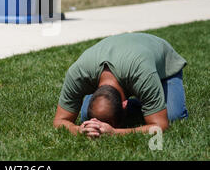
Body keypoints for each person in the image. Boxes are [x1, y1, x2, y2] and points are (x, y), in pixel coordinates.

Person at [53, 33, 188, 137]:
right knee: (85, 116)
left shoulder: (142, 74)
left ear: (125, 105)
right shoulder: (78, 74)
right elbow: (59, 121)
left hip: (162, 64)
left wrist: (115, 132)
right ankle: (150, 106)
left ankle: (151, 105)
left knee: (171, 116)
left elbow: (160, 126)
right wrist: (79, 129)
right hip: (125, 57)